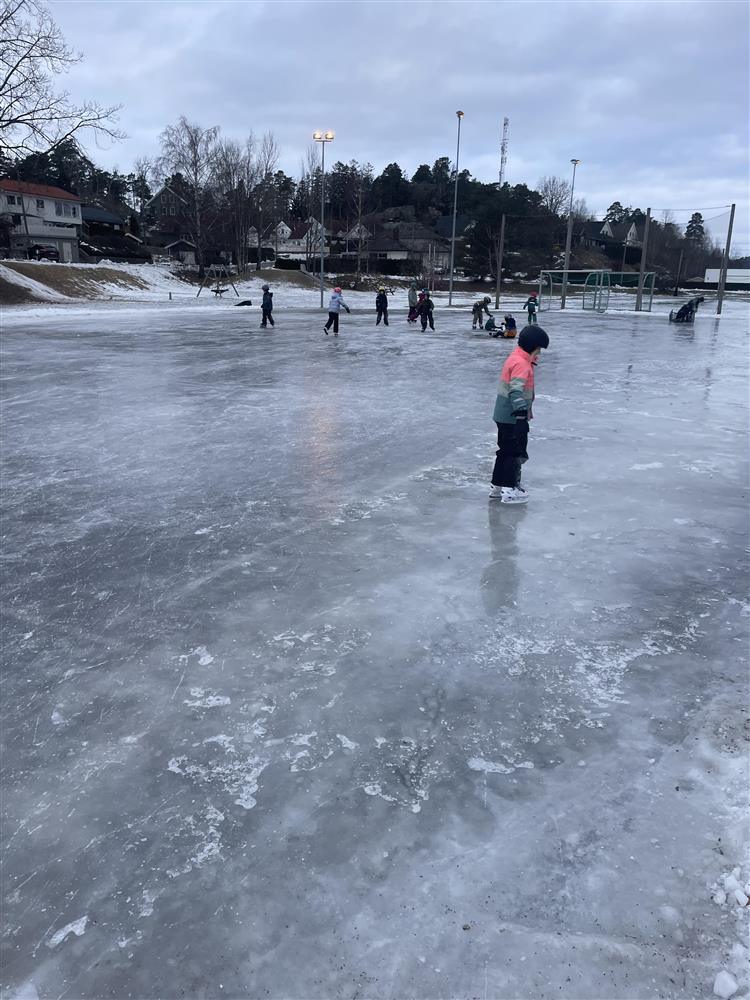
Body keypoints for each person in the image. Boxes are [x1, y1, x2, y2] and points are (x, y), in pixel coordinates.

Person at [488, 325, 550, 504]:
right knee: (513, 452)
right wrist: (521, 415)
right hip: (512, 416)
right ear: (532, 346)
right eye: (538, 349)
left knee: (504, 451)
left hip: (503, 415)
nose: (539, 354)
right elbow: (515, 391)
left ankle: (497, 486)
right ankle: (509, 489)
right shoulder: (522, 364)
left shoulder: (515, 357)